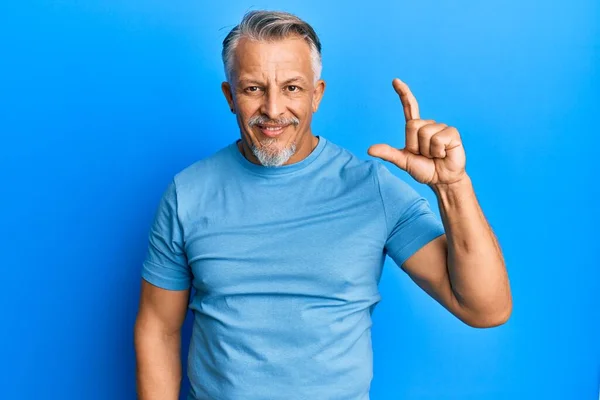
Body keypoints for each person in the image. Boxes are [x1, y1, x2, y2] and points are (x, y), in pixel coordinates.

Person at [133, 9, 512, 400]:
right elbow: (158, 327)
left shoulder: (372, 189)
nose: (274, 109)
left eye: (293, 88)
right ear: (230, 96)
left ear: (317, 94)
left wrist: (452, 186)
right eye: (253, 89)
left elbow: (485, 309)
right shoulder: (188, 193)